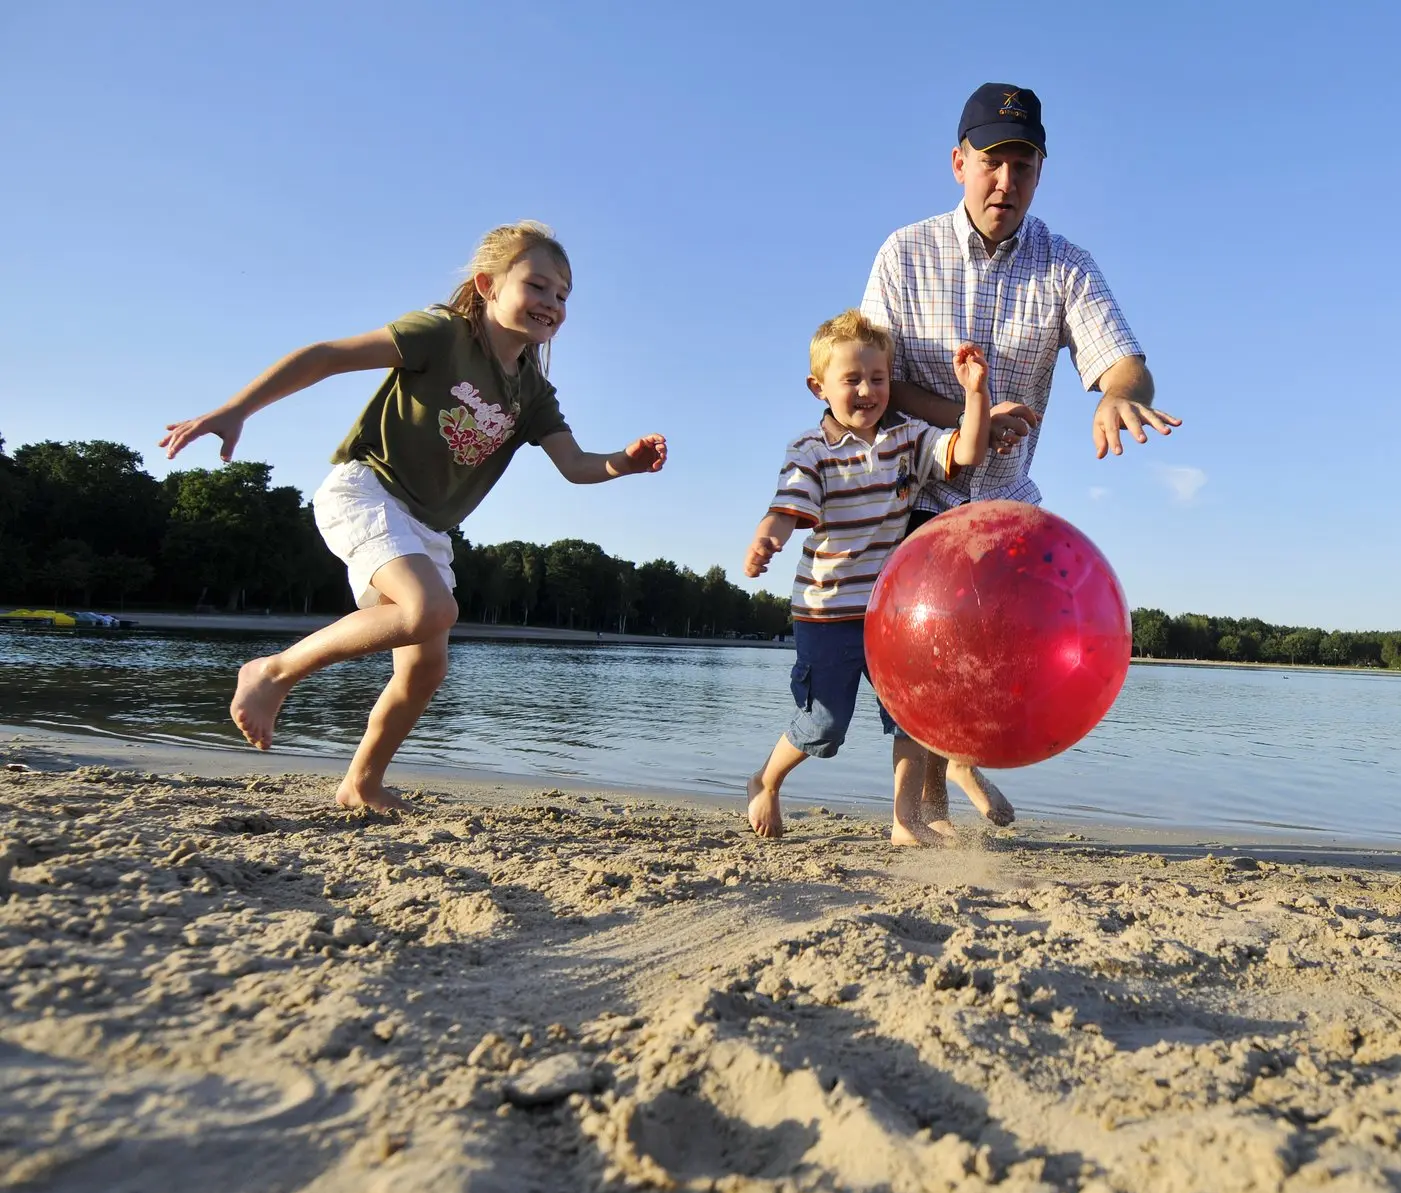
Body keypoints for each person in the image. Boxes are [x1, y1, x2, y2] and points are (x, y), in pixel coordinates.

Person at [159, 221, 667, 812]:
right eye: (538, 286)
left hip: (427, 529)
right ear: (487, 285)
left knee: (426, 669)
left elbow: (577, 465)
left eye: (563, 295)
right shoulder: (442, 334)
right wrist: (236, 409)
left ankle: (361, 783)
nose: (552, 303)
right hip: (367, 490)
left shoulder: (532, 393)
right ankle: (272, 672)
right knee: (431, 609)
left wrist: (624, 463)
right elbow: (327, 356)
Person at [861, 82, 1181, 833]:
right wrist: (967, 415)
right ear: (958, 162)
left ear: (1042, 169)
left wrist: (1115, 394)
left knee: (989, 662)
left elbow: (1125, 361)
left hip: (1006, 509)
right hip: (915, 486)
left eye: (1024, 165)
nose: (1006, 181)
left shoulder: (1065, 265)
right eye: (992, 162)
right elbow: (874, 382)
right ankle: (922, 810)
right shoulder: (904, 253)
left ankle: (957, 778)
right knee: (922, 652)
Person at [742, 310, 993, 846]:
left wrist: (975, 394)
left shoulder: (907, 437)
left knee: (911, 716)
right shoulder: (811, 451)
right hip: (826, 611)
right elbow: (786, 507)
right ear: (819, 387)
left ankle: (905, 820)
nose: (867, 390)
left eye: (877, 378)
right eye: (851, 379)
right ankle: (765, 780)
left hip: (889, 615)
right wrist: (769, 537)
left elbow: (967, 452)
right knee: (825, 725)